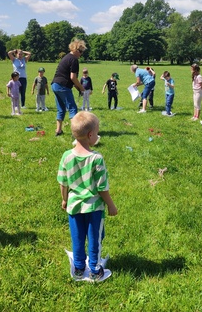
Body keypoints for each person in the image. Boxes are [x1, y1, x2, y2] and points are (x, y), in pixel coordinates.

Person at [57, 111, 117, 281]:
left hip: (74, 206)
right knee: (94, 240)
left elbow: (63, 182)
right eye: (97, 132)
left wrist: (64, 198)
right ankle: (95, 270)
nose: (97, 135)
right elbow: (102, 187)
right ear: (90, 135)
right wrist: (111, 205)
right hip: (94, 208)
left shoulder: (66, 156)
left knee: (77, 238)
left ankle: (78, 268)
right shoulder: (96, 158)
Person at [51, 39, 86, 136]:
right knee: (72, 108)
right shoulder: (74, 59)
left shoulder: (66, 57)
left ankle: (58, 130)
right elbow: (73, 77)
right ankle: (76, 133)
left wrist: (78, 88)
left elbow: (70, 79)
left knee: (61, 108)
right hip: (62, 86)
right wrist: (82, 88)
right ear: (76, 50)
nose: (81, 54)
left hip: (55, 85)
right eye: (81, 52)